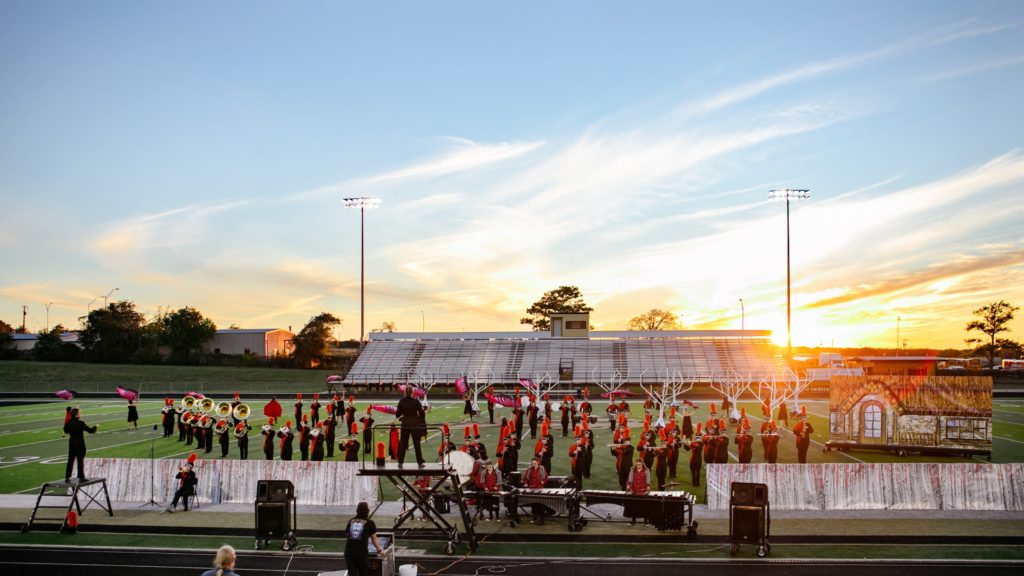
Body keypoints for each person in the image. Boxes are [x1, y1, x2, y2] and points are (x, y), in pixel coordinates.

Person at [344, 501, 382, 576]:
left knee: (352, 573)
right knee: (363, 573)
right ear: (367, 511)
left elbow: (348, 534)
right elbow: (374, 539)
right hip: (361, 553)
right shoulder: (370, 523)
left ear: (357, 510)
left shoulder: (351, 521)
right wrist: (380, 550)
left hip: (349, 552)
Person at [64, 407, 97, 483]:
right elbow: (90, 431)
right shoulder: (80, 423)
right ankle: (81, 477)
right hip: (79, 443)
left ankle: (67, 476)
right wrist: (95, 428)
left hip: (71, 443)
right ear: (76, 415)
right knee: (80, 460)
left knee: (70, 460)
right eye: (78, 413)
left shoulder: (69, 422)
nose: (80, 414)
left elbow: (66, 431)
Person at [396, 386, 426, 467]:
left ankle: (400, 462)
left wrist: (403, 414)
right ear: (412, 392)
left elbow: (397, 414)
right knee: (417, 443)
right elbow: (422, 413)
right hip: (414, 424)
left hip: (405, 423)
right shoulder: (416, 401)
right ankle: (420, 463)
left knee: (403, 443)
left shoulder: (401, 401)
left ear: (405, 392)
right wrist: (418, 417)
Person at [522, 457, 548, 524]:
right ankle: (534, 517)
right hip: (532, 489)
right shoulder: (529, 469)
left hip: (540, 488)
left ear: (538, 462)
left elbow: (546, 477)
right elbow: (525, 478)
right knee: (533, 504)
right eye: (532, 463)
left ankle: (540, 518)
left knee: (540, 504)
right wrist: (525, 484)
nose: (533, 464)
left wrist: (543, 482)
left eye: (535, 463)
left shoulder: (542, 468)